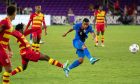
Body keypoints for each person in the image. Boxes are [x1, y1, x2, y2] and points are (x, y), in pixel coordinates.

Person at [0, 5, 16, 84]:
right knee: (9, 69)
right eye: (15, 12)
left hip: (3, 48)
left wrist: (9, 49)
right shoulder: (4, 21)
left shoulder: (9, 23)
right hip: (1, 48)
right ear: (14, 13)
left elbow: (6, 37)